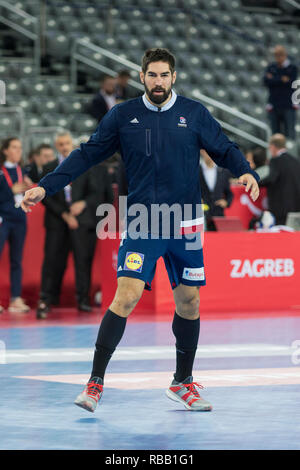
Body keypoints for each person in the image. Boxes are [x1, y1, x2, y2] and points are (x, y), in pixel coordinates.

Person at [21, 48, 260, 412]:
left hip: (186, 223)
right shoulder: (123, 115)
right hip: (144, 221)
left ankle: (182, 382)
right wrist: (46, 186)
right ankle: (95, 382)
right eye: (152, 75)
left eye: (165, 75)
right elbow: (86, 153)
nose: (159, 81)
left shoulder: (194, 114)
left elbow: (223, 147)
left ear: (174, 77)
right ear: (142, 76)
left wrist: (246, 170)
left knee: (190, 302)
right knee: (127, 295)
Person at [36, 131, 114, 319]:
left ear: (72, 144)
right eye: (61, 144)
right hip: (57, 222)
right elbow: (45, 196)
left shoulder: (84, 166)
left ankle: (83, 299)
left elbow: (96, 192)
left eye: (67, 143)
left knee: (83, 261)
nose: (64, 147)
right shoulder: (49, 167)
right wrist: (64, 214)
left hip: (82, 222)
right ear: (57, 146)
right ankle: (47, 298)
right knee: (52, 261)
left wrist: (83, 204)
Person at [0, 137, 32, 313]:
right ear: (5, 150)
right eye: (14, 147)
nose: (18, 151)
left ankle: (16, 299)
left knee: (16, 260)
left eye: (20, 147)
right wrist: (9, 192)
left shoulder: (23, 172)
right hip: (3, 219)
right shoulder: (1, 171)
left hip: (20, 220)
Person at [259, 133, 300, 225]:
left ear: (273, 146)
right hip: (296, 205)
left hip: (280, 207)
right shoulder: (296, 161)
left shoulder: (275, 160)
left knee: (280, 233)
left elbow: (271, 178)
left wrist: (254, 183)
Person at [263, 45, 298, 139]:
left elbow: (291, 82)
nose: (278, 57)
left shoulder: (292, 68)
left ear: (285, 55)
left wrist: (274, 79)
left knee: (290, 134)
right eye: (276, 55)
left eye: (280, 54)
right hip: (274, 104)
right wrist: (282, 79)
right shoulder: (271, 67)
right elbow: (266, 81)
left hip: (288, 105)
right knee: (275, 135)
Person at [199, 149, 233, 231]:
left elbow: (229, 193)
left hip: (218, 214)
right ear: (202, 152)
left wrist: (226, 202)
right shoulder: (195, 170)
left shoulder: (223, 171)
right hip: (201, 215)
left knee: (220, 242)